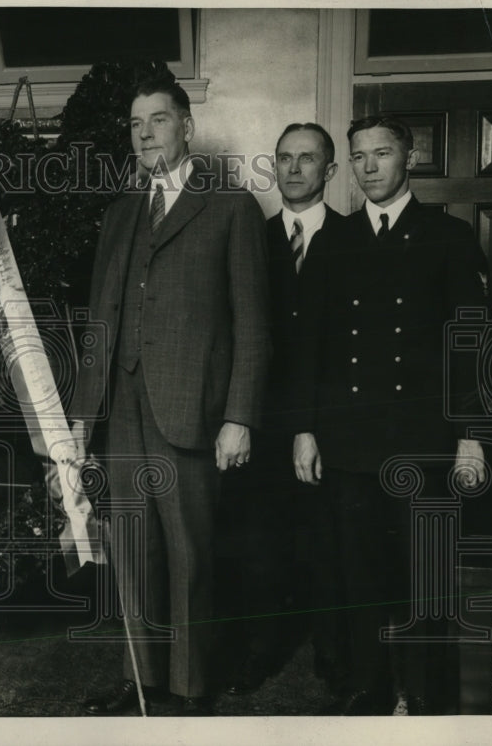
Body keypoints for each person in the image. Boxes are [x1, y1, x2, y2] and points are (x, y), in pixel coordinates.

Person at [71, 75, 271, 716]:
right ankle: (146, 681)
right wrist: (81, 418)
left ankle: (190, 690)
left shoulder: (231, 208)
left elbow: (254, 325)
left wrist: (239, 416)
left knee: (189, 556)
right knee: (134, 553)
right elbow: (100, 320)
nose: (146, 133)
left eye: (159, 119)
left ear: (186, 127)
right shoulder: (121, 212)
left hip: (194, 410)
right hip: (122, 411)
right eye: (136, 124)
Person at [292, 115, 488, 715]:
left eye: (382, 153)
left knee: (426, 578)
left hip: (422, 442)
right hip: (349, 441)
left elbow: (470, 343)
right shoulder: (336, 240)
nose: (369, 166)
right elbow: (311, 347)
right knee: (360, 579)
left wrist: (470, 436)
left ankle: (428, 699)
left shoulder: (447, 236)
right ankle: (370, 690)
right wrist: (304, 428)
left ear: (409, 158)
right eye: (358, 156)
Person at [218, 123, 349, 696]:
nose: (294, 169)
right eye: (284, 159)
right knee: (260, 544)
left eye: (307, 159)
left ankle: (334, 653)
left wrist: (314, 425)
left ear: (330, 171)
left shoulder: (354, 240)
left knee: (327, 545)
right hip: (261, 423)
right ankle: (259, 650)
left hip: (328, 425)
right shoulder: (252, 236)